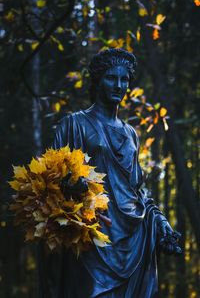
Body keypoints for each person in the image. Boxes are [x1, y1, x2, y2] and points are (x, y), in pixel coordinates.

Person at [39, 48, 181, 298]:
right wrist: (71, 185)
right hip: (92, 236)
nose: (119, 85)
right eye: (111, 78)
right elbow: (49, 175)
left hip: (133, 236)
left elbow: (138, 191)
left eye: (124, 79)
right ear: (98, 80)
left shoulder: (130, 134)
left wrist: (159, 221)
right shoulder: (74, 124)